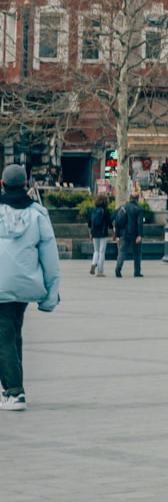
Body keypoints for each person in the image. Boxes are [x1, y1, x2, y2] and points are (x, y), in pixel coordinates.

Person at [0, 164, 61, 412]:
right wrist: (51, 295)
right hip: (25, 284)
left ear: (2, 184)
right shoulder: (38, 214)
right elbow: (50, 259)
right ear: (26, 185)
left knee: (4, 338)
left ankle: (14, 392)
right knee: (13, 335)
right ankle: (14, 388)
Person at [113, 193, 146, 277]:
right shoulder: (139, 209)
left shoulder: (122, 207)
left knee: (122, 252)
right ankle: (137, 272)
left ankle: (118, 268)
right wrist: (140, 235)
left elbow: (116, 221)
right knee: (137, 253)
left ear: (129, 198)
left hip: (124, 233)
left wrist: (117, 235)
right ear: (137, 199)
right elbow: (139, 223)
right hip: (134, 234)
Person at [86, 194, 113, 277]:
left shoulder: (93, 210)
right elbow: (109, 223)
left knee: (96, 250)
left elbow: (89, 224)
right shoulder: (106, 211)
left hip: (94, 233)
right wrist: (113, 232)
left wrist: (90, 234)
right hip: (103, 233)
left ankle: (93, 263)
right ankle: (100, 271)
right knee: (102, 252)